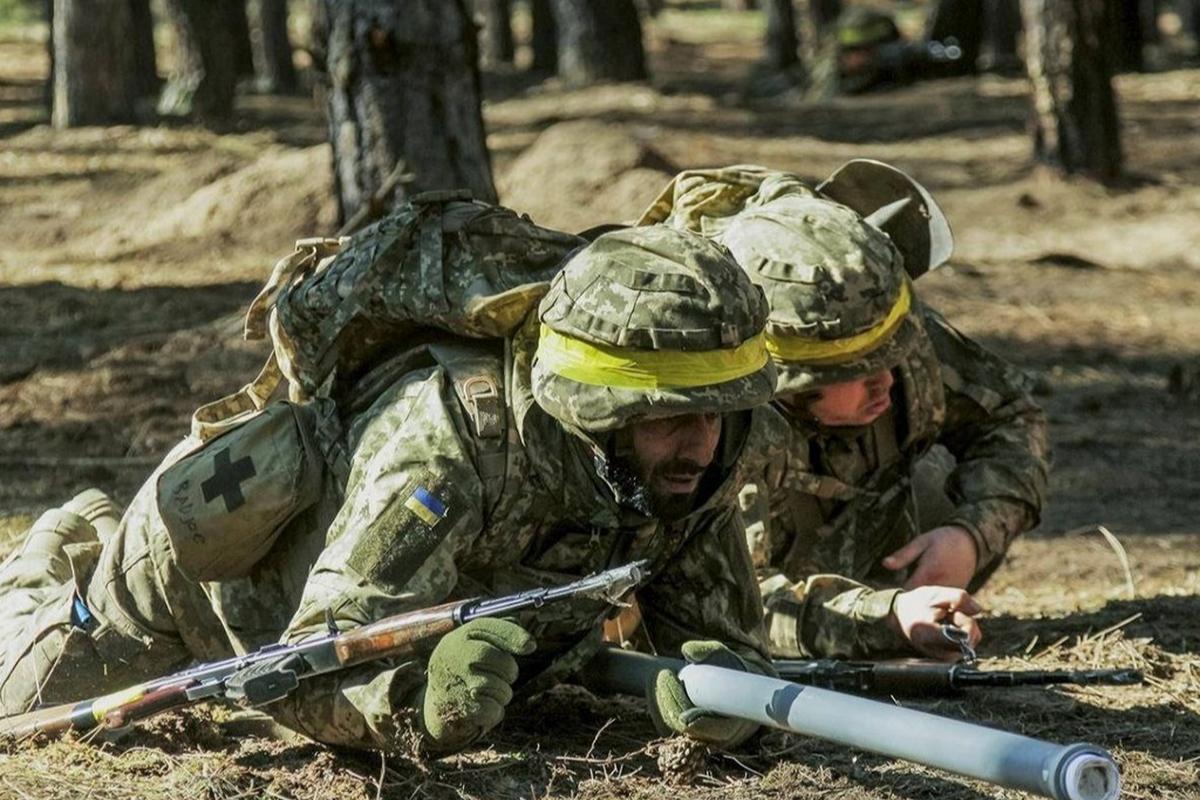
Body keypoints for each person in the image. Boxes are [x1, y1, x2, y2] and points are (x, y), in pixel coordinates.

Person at [0, 224, 787, 753]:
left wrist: (728, 699)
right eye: (672, 417)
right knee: (20, 716)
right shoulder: (446, 444)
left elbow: (722, 644)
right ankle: (52, 552)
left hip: (363, 602)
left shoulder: (692, 463)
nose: (702, 443)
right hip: (184, 605)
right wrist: (416, 710)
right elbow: (302, 665)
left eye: (721, 414)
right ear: (597, 412)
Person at [638, 164, 1049, 660]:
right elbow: (726, 604)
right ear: (784, 379)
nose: (888, 381)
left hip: (875, 554)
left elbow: (1011, 416)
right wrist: (887, 619)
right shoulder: (707, 426)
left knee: (934, 484)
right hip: (763, 598)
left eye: (891, 357)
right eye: (857, 371)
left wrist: (969, 536)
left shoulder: (884, 331)